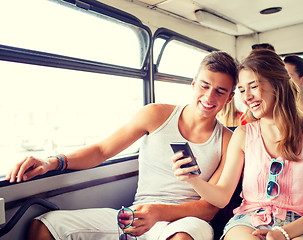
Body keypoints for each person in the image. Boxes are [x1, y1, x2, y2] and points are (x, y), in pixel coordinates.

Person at [6, 51, 238, 240]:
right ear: (194, 84)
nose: (209, 97)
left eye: (220, 91)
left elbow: (209, 207)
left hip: (184, 223)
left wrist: (159, 212)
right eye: (205, 86)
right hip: (137, 214)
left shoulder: (228, 140)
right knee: (45, 226)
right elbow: (102, 151)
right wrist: (52, 162)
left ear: (229, 98)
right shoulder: (156, 115)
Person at [173, 49, 303, 240]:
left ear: (277, 85)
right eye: (242, 90)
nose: (247, 97)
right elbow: (222, 196)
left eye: (254, 87)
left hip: (300, 225)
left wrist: (283, 233)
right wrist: (192, 179)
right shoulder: (243, 135)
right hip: (248, 221)